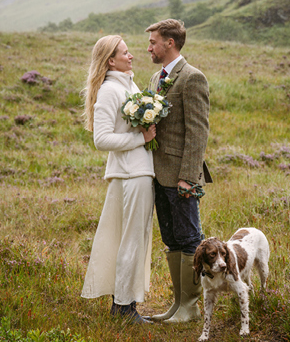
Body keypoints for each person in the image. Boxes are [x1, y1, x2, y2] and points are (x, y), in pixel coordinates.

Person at [80, 35, 156, 324]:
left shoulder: (128, 84)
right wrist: (141, 138)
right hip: (130, 173)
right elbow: (101, 139)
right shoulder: (111, 90)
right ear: (110, 60)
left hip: (137, 170)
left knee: (134, 238)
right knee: (131, 239)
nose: (131, 56)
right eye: (125, 53)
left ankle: (124, 304)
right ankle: (124, 308)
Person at [143, 19, 211, 323]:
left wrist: (188, 175)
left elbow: (198, 131)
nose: (149, 48)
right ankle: (178, 303)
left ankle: (191, 307)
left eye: (153, 42)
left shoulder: (193, 78)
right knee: (171, 238)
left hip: (181, 174)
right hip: (157, 173)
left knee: (189, 239)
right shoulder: (156, 77)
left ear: (170, 42)